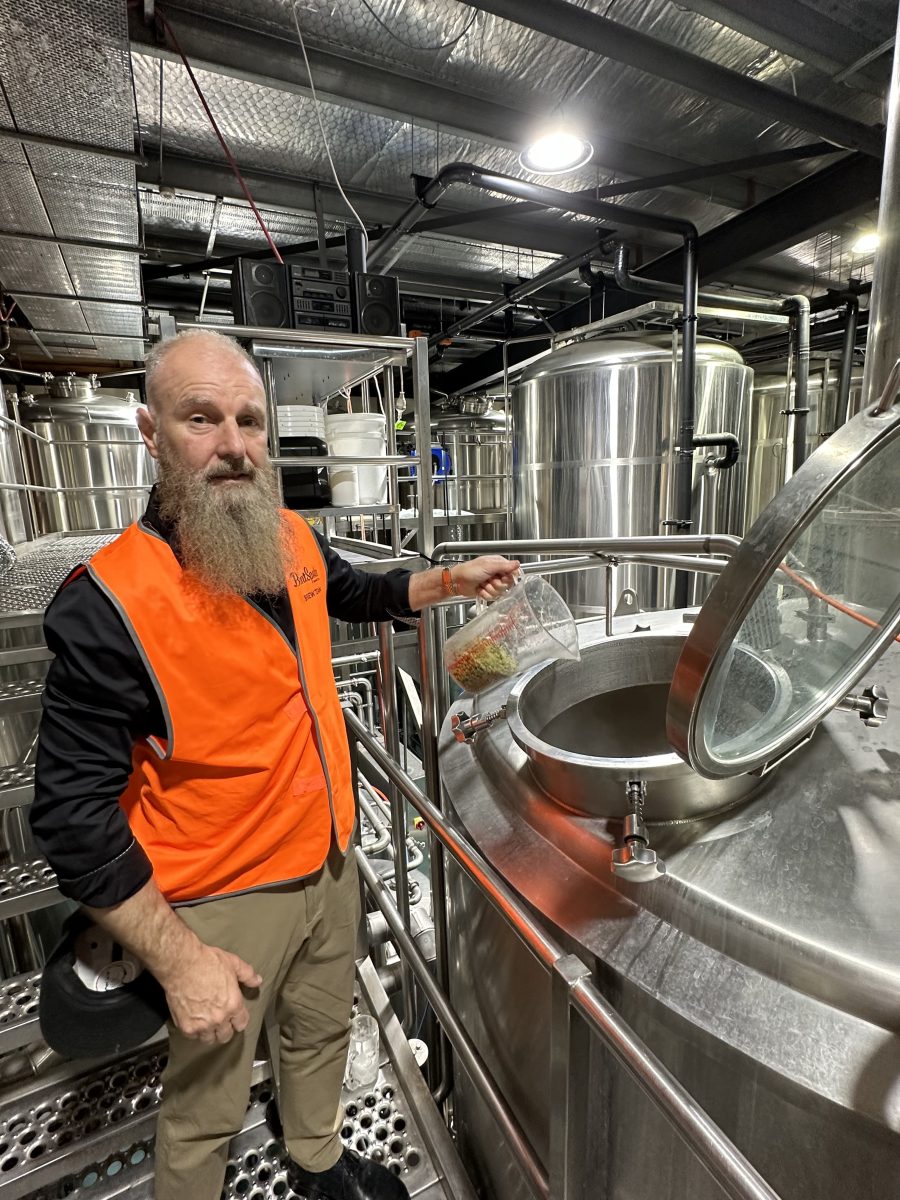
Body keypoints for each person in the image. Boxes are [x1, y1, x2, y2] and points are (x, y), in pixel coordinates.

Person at [30, 329, 520, 1200]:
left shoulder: (285, 534)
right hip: (221, 895)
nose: (233, 445)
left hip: (327, 853)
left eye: (249, 421)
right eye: (201, 418)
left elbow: (353, 589)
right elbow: (72, 818)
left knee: (321, 1031)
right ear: (151, 434)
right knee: (208, 1100)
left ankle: (318, 1160)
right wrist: (181, 964)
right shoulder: (110, 603)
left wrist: (448, 581)